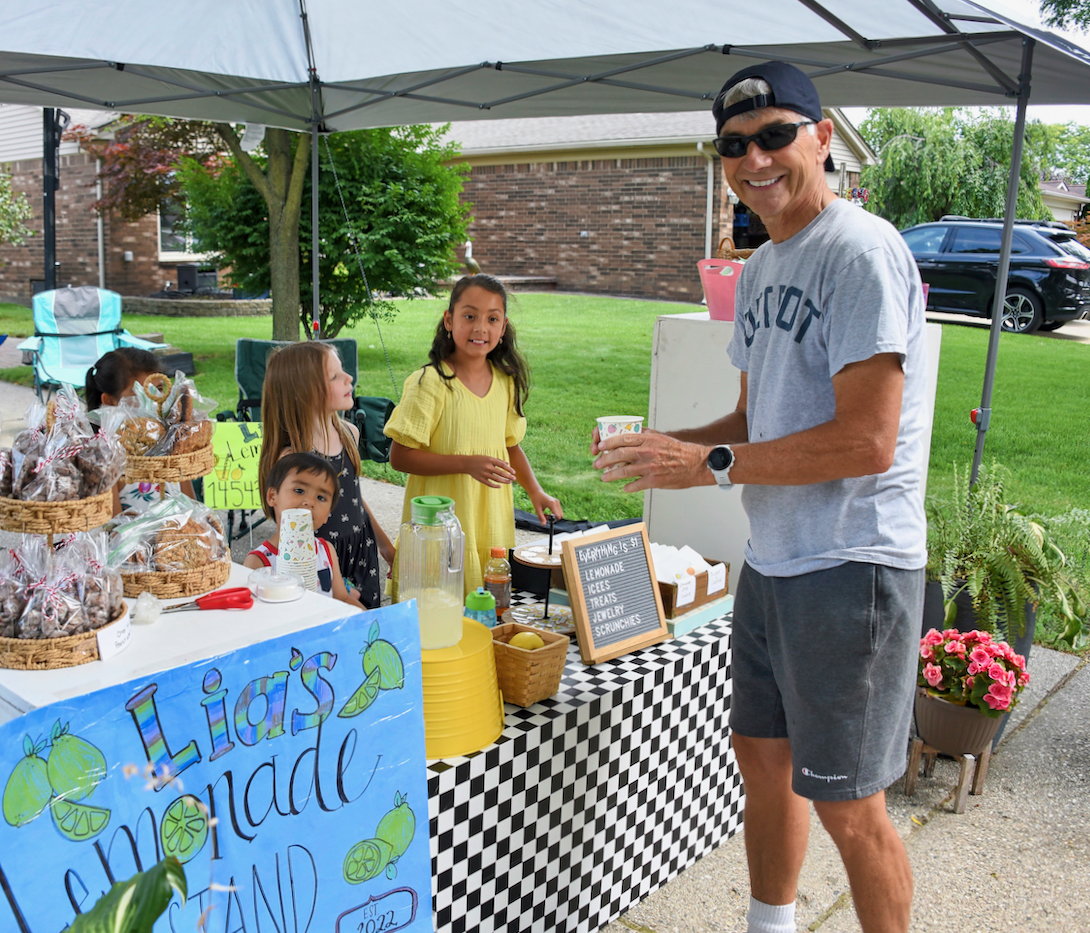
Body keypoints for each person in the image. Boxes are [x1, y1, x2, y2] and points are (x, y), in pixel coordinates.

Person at [593, 62, 928, 933]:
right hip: (775, 560)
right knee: (763, 765)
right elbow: (753, 418)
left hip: (852, 564)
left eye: (776, 135)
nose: (755, 159)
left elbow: (867, 440)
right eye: (734, 145)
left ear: (824, 138)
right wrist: (670, 449)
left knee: (850, 804)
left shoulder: (859, 252)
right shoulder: (765, 266)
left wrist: (708, 465)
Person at [385, 274, 562, 594]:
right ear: (449, 320)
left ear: (503, 327)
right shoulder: (431, 382)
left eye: (492, 319)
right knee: (437, 610)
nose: (481, 328)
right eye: (469, 316)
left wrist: (536, 490)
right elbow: (400, 456)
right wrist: (466, 464)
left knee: (486, 609)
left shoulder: (506, 382)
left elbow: (510, 447)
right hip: (439, 526)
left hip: (489, 523)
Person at [257, 341, 395, 610]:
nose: (348, 378)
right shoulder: (292, 459)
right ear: (304, 392)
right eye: (334, 376)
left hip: (361, 554)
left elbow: (353, 498)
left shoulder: (349, 434)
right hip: (318, 563)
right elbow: (289, 529)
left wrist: (385, 547)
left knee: (364, 629)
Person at [244, 451, 364, 608]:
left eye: (321, 497)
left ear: (328, 513)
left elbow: (342, 598)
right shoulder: (258, 562)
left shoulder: (326, 550)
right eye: (299, 491)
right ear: (272, 496)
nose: (310, 502)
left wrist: (370, 618)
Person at [84, 347, 191, 513]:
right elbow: (113, 524)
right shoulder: (104, 458)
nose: (155, 400)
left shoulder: (172, 445)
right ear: (109, 401)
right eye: (141, 393)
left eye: (159, 390)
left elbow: (191, 506)